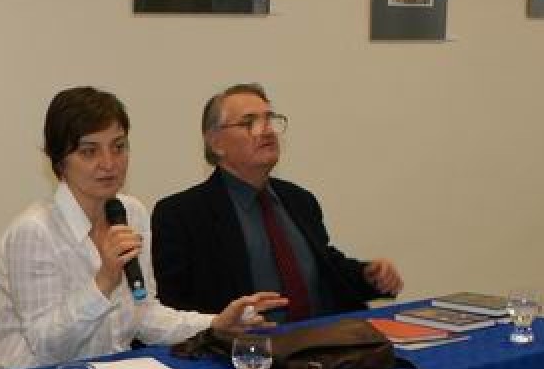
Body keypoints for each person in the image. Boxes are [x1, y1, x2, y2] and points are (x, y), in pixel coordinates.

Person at [0, 86, 282, 369]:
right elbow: (47, 347)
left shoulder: (130, 212)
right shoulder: (33, 232)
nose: (109, 163)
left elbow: (144, 315)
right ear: (59, 160)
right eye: (89, 152)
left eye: (118, 147)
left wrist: (216, 323)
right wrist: (104, 281)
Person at [152, 83, 403, 322]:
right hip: (244, 347)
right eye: (249, 123)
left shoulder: (299, 199)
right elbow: (174, 310)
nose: (266, 131)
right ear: (216, 143)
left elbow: (325, 271)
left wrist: (368, 275)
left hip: (320, 341)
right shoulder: (181, 215)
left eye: (269, 120)